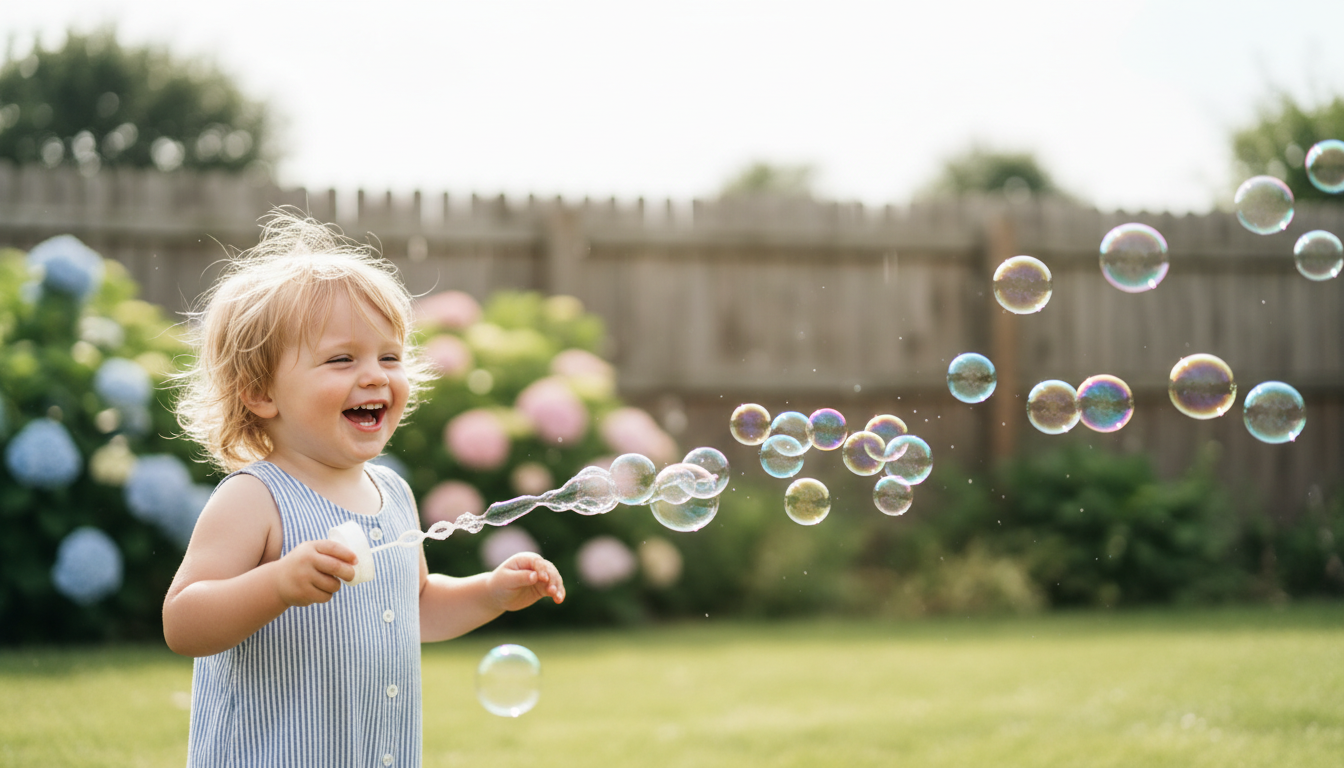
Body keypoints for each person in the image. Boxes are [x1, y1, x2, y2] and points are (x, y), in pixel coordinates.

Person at [163, 210, 565, 767]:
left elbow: (416, 606)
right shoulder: (255, 497)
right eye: (342, 358)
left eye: (390, 356)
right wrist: (277, 583)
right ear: (260, 393)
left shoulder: (393, 492)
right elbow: (183, 622)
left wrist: (491, 592)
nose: (375, 375)